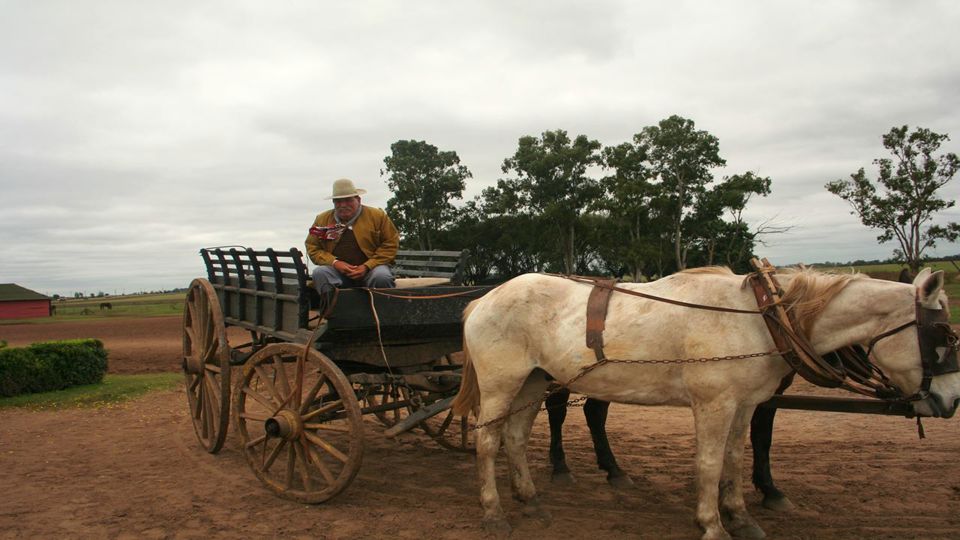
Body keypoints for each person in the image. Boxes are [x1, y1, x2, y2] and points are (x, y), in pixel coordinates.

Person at [305, 178, 399, 295]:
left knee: (381, 277)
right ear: (333, 202)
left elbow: (390, 244)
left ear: (358, 200)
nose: (343, 205)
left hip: (372, 270)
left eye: (348, 200)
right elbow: (312, 247)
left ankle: (383, 312)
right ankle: (332, 311)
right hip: (338, 273)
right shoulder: (322, 220)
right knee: (320, 273)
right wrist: (335, 263)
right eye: (338, 201)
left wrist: (367, 266)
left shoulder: (378, 216)